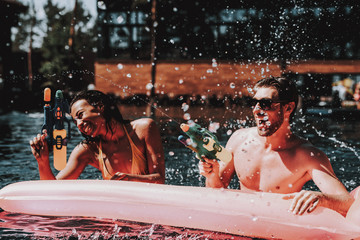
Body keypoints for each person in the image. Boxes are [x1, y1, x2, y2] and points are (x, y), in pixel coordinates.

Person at [199, 77, 353, 216]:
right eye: (254, 103)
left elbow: (347, 203)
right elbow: (215, 192)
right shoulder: (238, 139)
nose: (256, 111)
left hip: (277, 228)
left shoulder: (306, 156)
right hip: (241, 225)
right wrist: (212, 175)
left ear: (288, 108)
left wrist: (322, 198)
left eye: (265, 104)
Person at [30, 90, 165, 183]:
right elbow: (53, 191)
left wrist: (131, 179)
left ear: (100, 107)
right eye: (75, 121)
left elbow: (159, 179)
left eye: (80, 115)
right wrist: (42, 161)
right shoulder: (87, 150)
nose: (78, 124)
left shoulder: (144, 129)